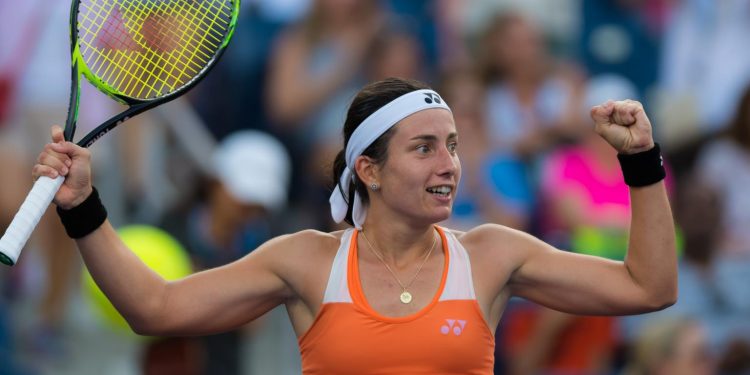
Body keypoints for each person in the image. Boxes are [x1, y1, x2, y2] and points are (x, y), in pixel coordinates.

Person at [32, 77, 676, 373]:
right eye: (424, 148)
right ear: (369, 170)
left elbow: (649, 287)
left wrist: (641, 162)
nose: (449, 164)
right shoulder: (306, 261)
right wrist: (85, 207)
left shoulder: (492, 253)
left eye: (452, 145)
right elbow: (156, 309)